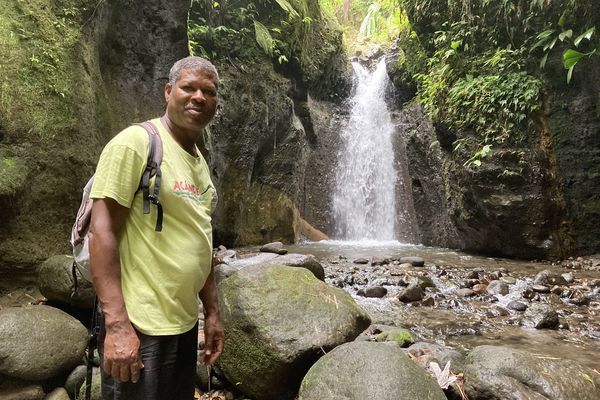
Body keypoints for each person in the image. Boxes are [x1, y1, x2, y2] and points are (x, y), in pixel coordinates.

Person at [88, 56, 224, 400]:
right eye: (188, 87)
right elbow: (100, 232)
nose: (198, 97)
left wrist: (211, 312)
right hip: (139, 323)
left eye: (208, 91)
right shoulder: (136, 143)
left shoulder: (199, 164)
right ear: (168, 91)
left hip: (182, 324)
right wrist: (117, 326)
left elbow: (201, 240)